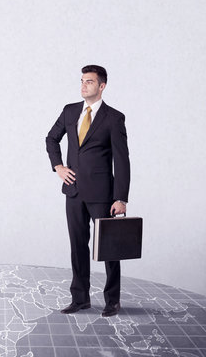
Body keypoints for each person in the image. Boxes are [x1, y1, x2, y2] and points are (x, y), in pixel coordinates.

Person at [45, 65, 130, 317]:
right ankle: (80, 298)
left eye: (89, 82)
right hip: (73, 191)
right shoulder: (70, 111)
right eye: (82, 81)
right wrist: (58, 166)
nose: (83, 85)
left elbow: (122, 160)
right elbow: (51, 138)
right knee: (77, 246)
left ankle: (112, 300)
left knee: (109, 249)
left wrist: (121, 197)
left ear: (101, 86)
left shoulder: (114, 118)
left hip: (103, 194)